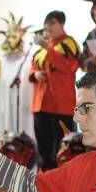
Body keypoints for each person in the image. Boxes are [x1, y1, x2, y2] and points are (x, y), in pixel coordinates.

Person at [29, 11, 81, 170]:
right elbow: (32, 68)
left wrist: (48, 47)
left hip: (61, 104)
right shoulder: (41, 48)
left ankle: (64, 182)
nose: (47, 27)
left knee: (63, 146)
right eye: (46, 23)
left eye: (52, 23)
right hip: (41, 102)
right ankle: (45, 179)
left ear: (61, 24)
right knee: (43, 145)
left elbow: (69, 66)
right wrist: (35, 74)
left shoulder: (69, 43)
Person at [0, 12, 35, 143]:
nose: (11, 39)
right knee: (7, 123)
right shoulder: (3, 60)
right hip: (6, 101)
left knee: (22, 124)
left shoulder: (27, 58)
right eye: (8, 36)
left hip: (22, 102)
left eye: (14, 36)